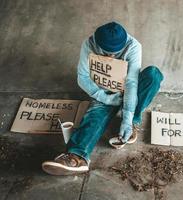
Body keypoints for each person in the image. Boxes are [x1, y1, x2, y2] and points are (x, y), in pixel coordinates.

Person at [41, 22, 164, 175]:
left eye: (115, 53)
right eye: (106, 53)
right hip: (103, 91)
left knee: (153, 74)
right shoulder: (89, 44)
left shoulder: (133, 46)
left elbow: (132, 83)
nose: (111, 56)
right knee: (93, 117)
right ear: (97, 43)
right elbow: (83, 78)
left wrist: (127, 118)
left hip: (128, 89)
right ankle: (76, 156)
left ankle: (132, 124)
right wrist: (105, 98)